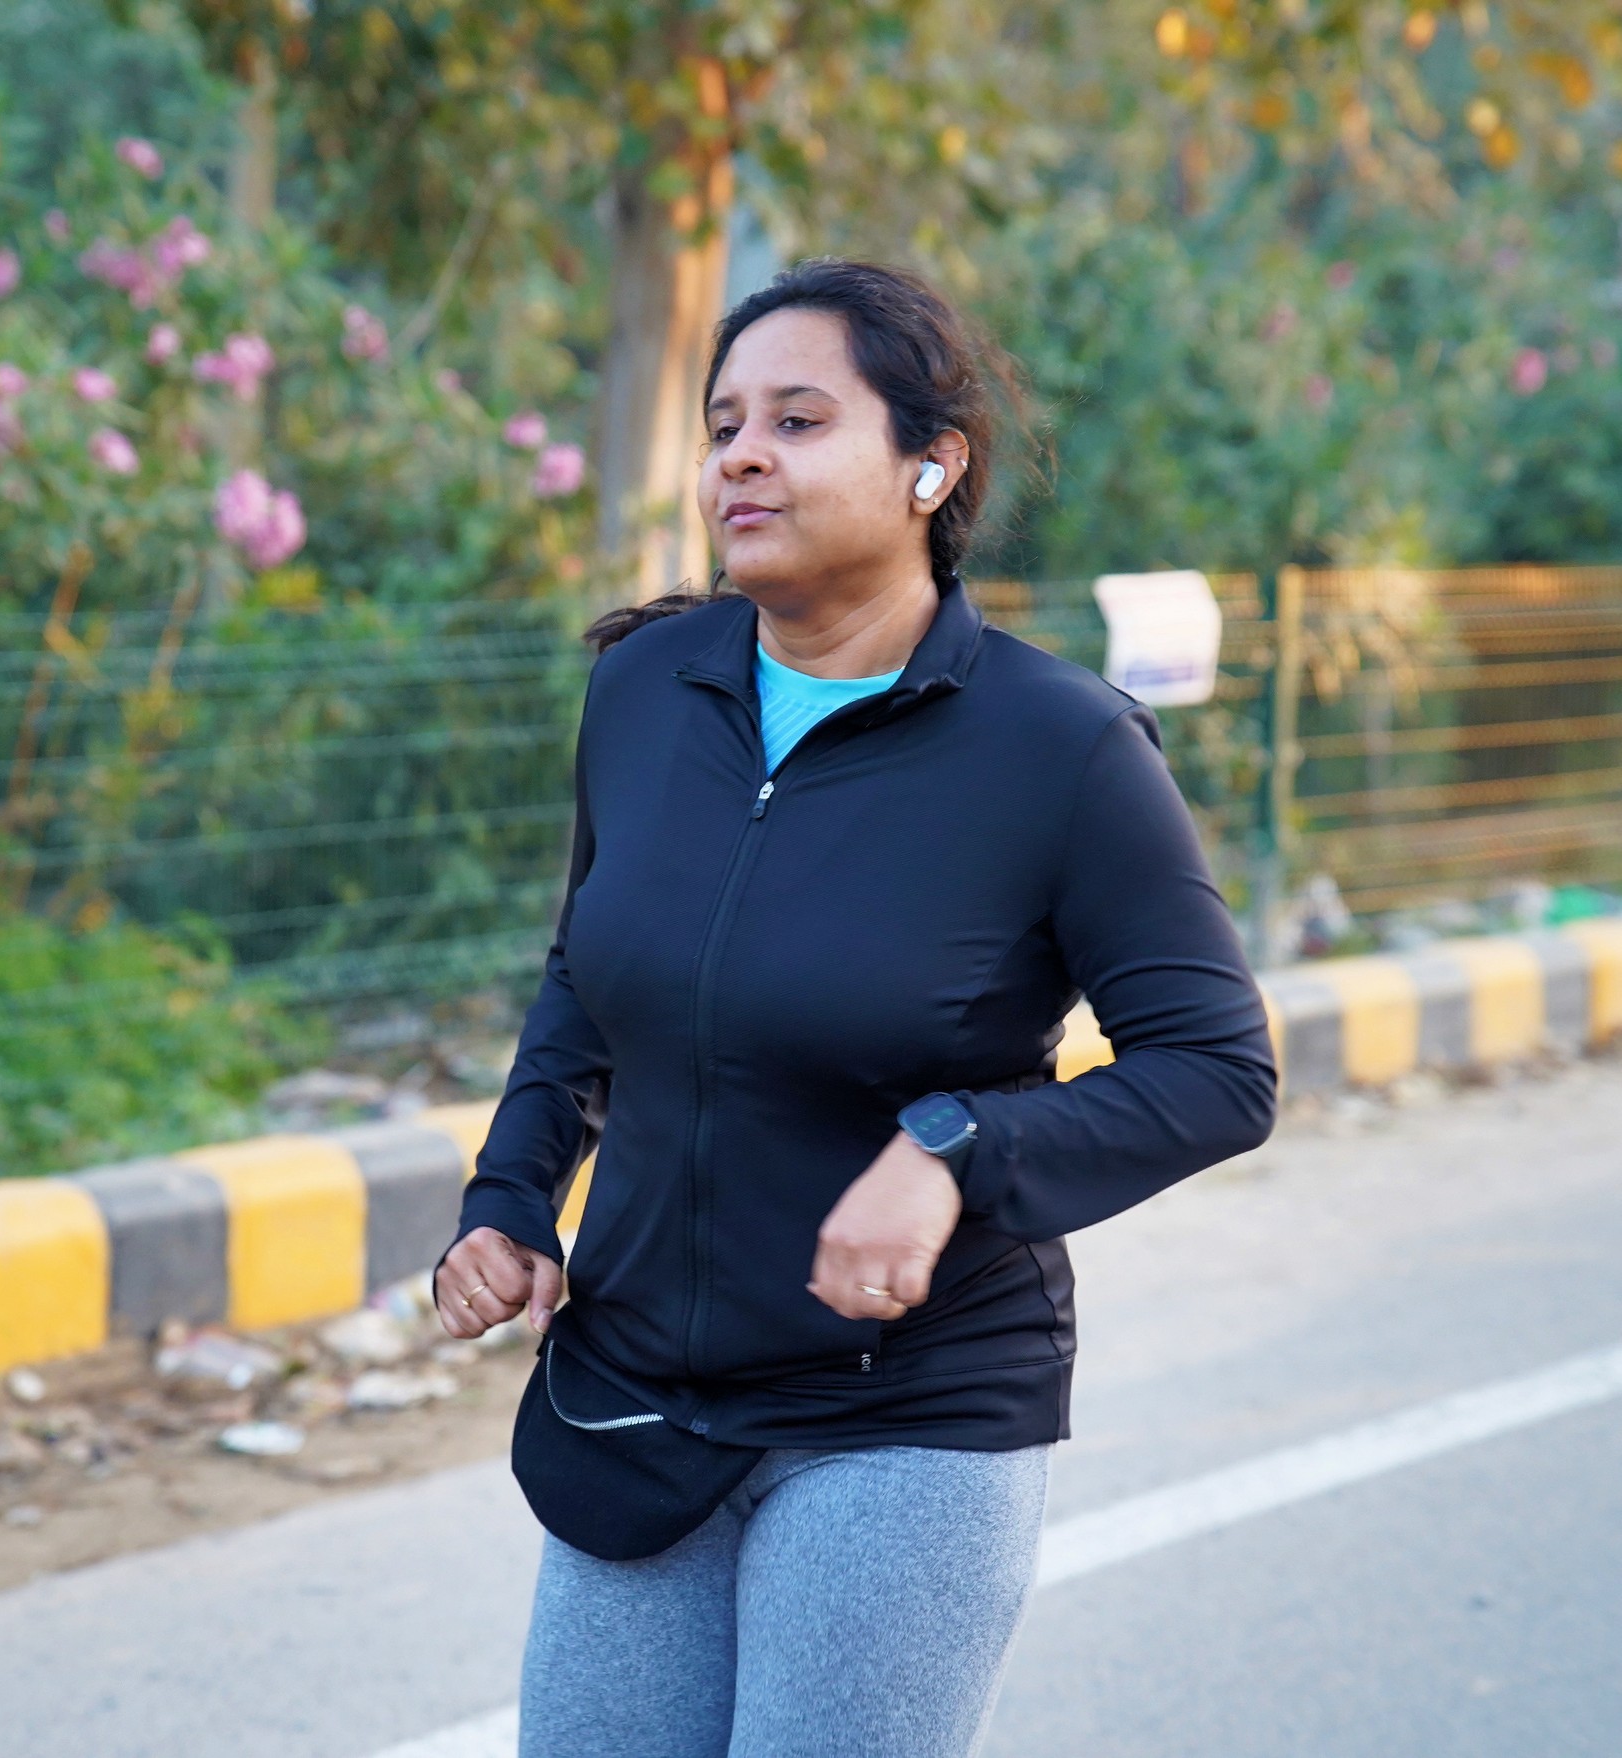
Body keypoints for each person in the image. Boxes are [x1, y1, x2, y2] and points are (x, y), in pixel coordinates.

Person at [434, 257, 1278, 1758]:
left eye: (798, 420)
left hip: (904, 1415)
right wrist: (509, 1200)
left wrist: (954, 1151)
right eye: (724, 426)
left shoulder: (1060, 748)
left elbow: (1218, 1070)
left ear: (927, 467)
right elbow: (587, 977)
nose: (741, 457)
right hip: (633, 1394)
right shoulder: (644, 689)